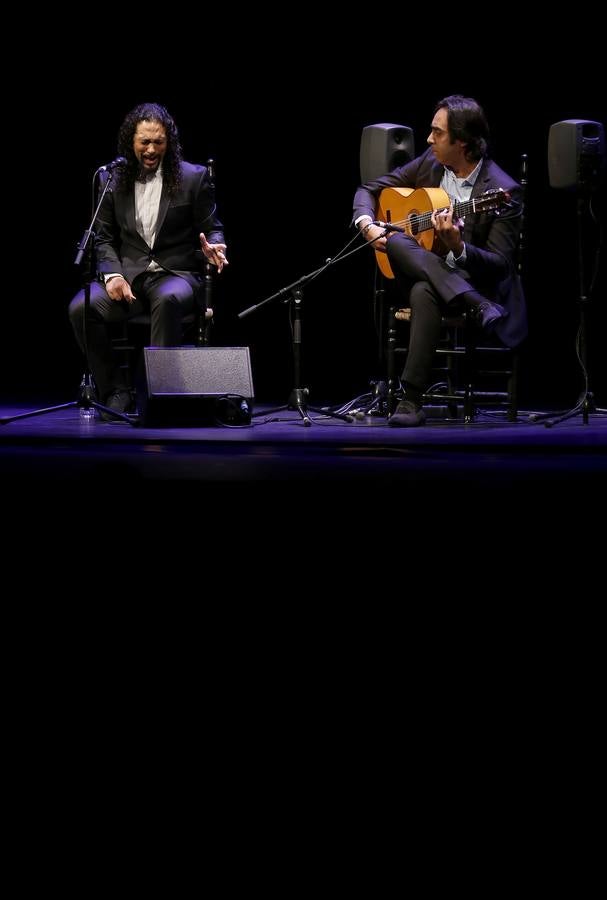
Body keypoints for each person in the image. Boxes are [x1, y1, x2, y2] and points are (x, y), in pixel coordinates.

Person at [353, 94, 527, 426]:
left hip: (475, 281)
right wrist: (367, 224)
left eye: (438, 132)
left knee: (423, 290)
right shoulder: (429, 164)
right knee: (397, 240)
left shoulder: (503, 190)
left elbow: (501, 265)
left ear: (462, 142)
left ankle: (410, 400)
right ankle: (476, 305)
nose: (429, 139)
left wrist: (459, 247)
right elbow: (367, 189)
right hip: (435, 275)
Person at [69, 102, 228, 418]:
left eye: (159, 142)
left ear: (169, 142)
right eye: (144, 142)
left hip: (176, 275)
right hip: (130, 279)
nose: (152, 149)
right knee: (81, 308)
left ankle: (159, 397)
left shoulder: (193, 178)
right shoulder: (112, 179)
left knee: (167, 299)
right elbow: (102, 237)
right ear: (131, 140)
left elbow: (213, 227)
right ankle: (115, 390)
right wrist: (113, 275)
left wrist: (215, 245)